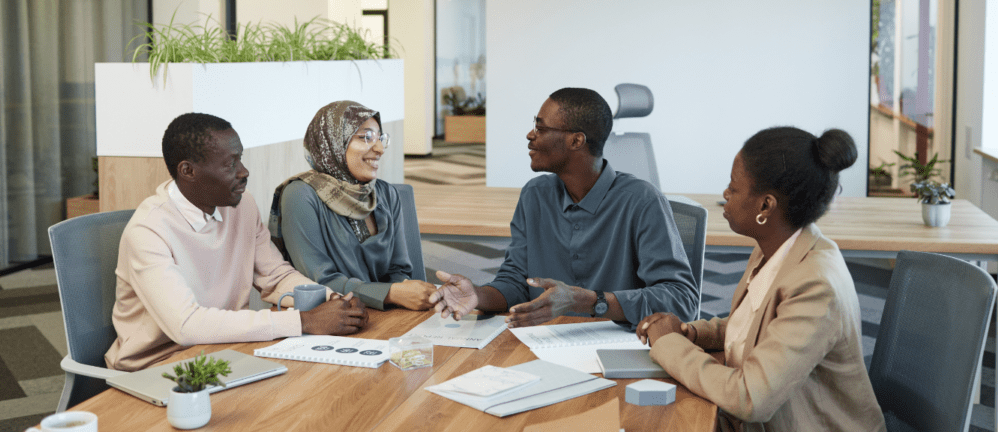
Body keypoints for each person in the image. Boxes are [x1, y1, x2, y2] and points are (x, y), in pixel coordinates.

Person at [637, 127, 886, 432]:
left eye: (733, 187)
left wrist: (669, 343)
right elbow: (753, 327)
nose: (725, 195)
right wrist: (690, 332)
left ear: (766, 206)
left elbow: (750, 398)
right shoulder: (776, 248)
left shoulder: (816, 284)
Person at [105, 113, 368, 371]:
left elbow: (275, 277)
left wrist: (334, 300)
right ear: (188, 171)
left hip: (222, 353)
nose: (244, 172)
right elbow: (186, 325)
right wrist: (304, 321)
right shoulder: (148, 230)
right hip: (153, 367)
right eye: (230, 164)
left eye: (240, 159)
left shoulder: (242, 205)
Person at [431, 88, 698, 328]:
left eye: (541, 128)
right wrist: (477, 294)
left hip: (621, 346)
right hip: (544, 344)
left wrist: (590, 302)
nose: (530, 135)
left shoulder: (642, 201)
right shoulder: (534, 195)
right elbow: (516, 283)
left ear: (576, 141)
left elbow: (682, 300)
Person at [268, 101, 436, 311]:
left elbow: (399, 269)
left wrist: (404, 292)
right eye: (366, 137)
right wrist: (389, 294)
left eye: (380, 138)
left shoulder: (385, 193)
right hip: (330, 319)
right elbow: (318, 281)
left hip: (390, 313)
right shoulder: (300, 195)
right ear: (333, 142)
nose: (380, 149)